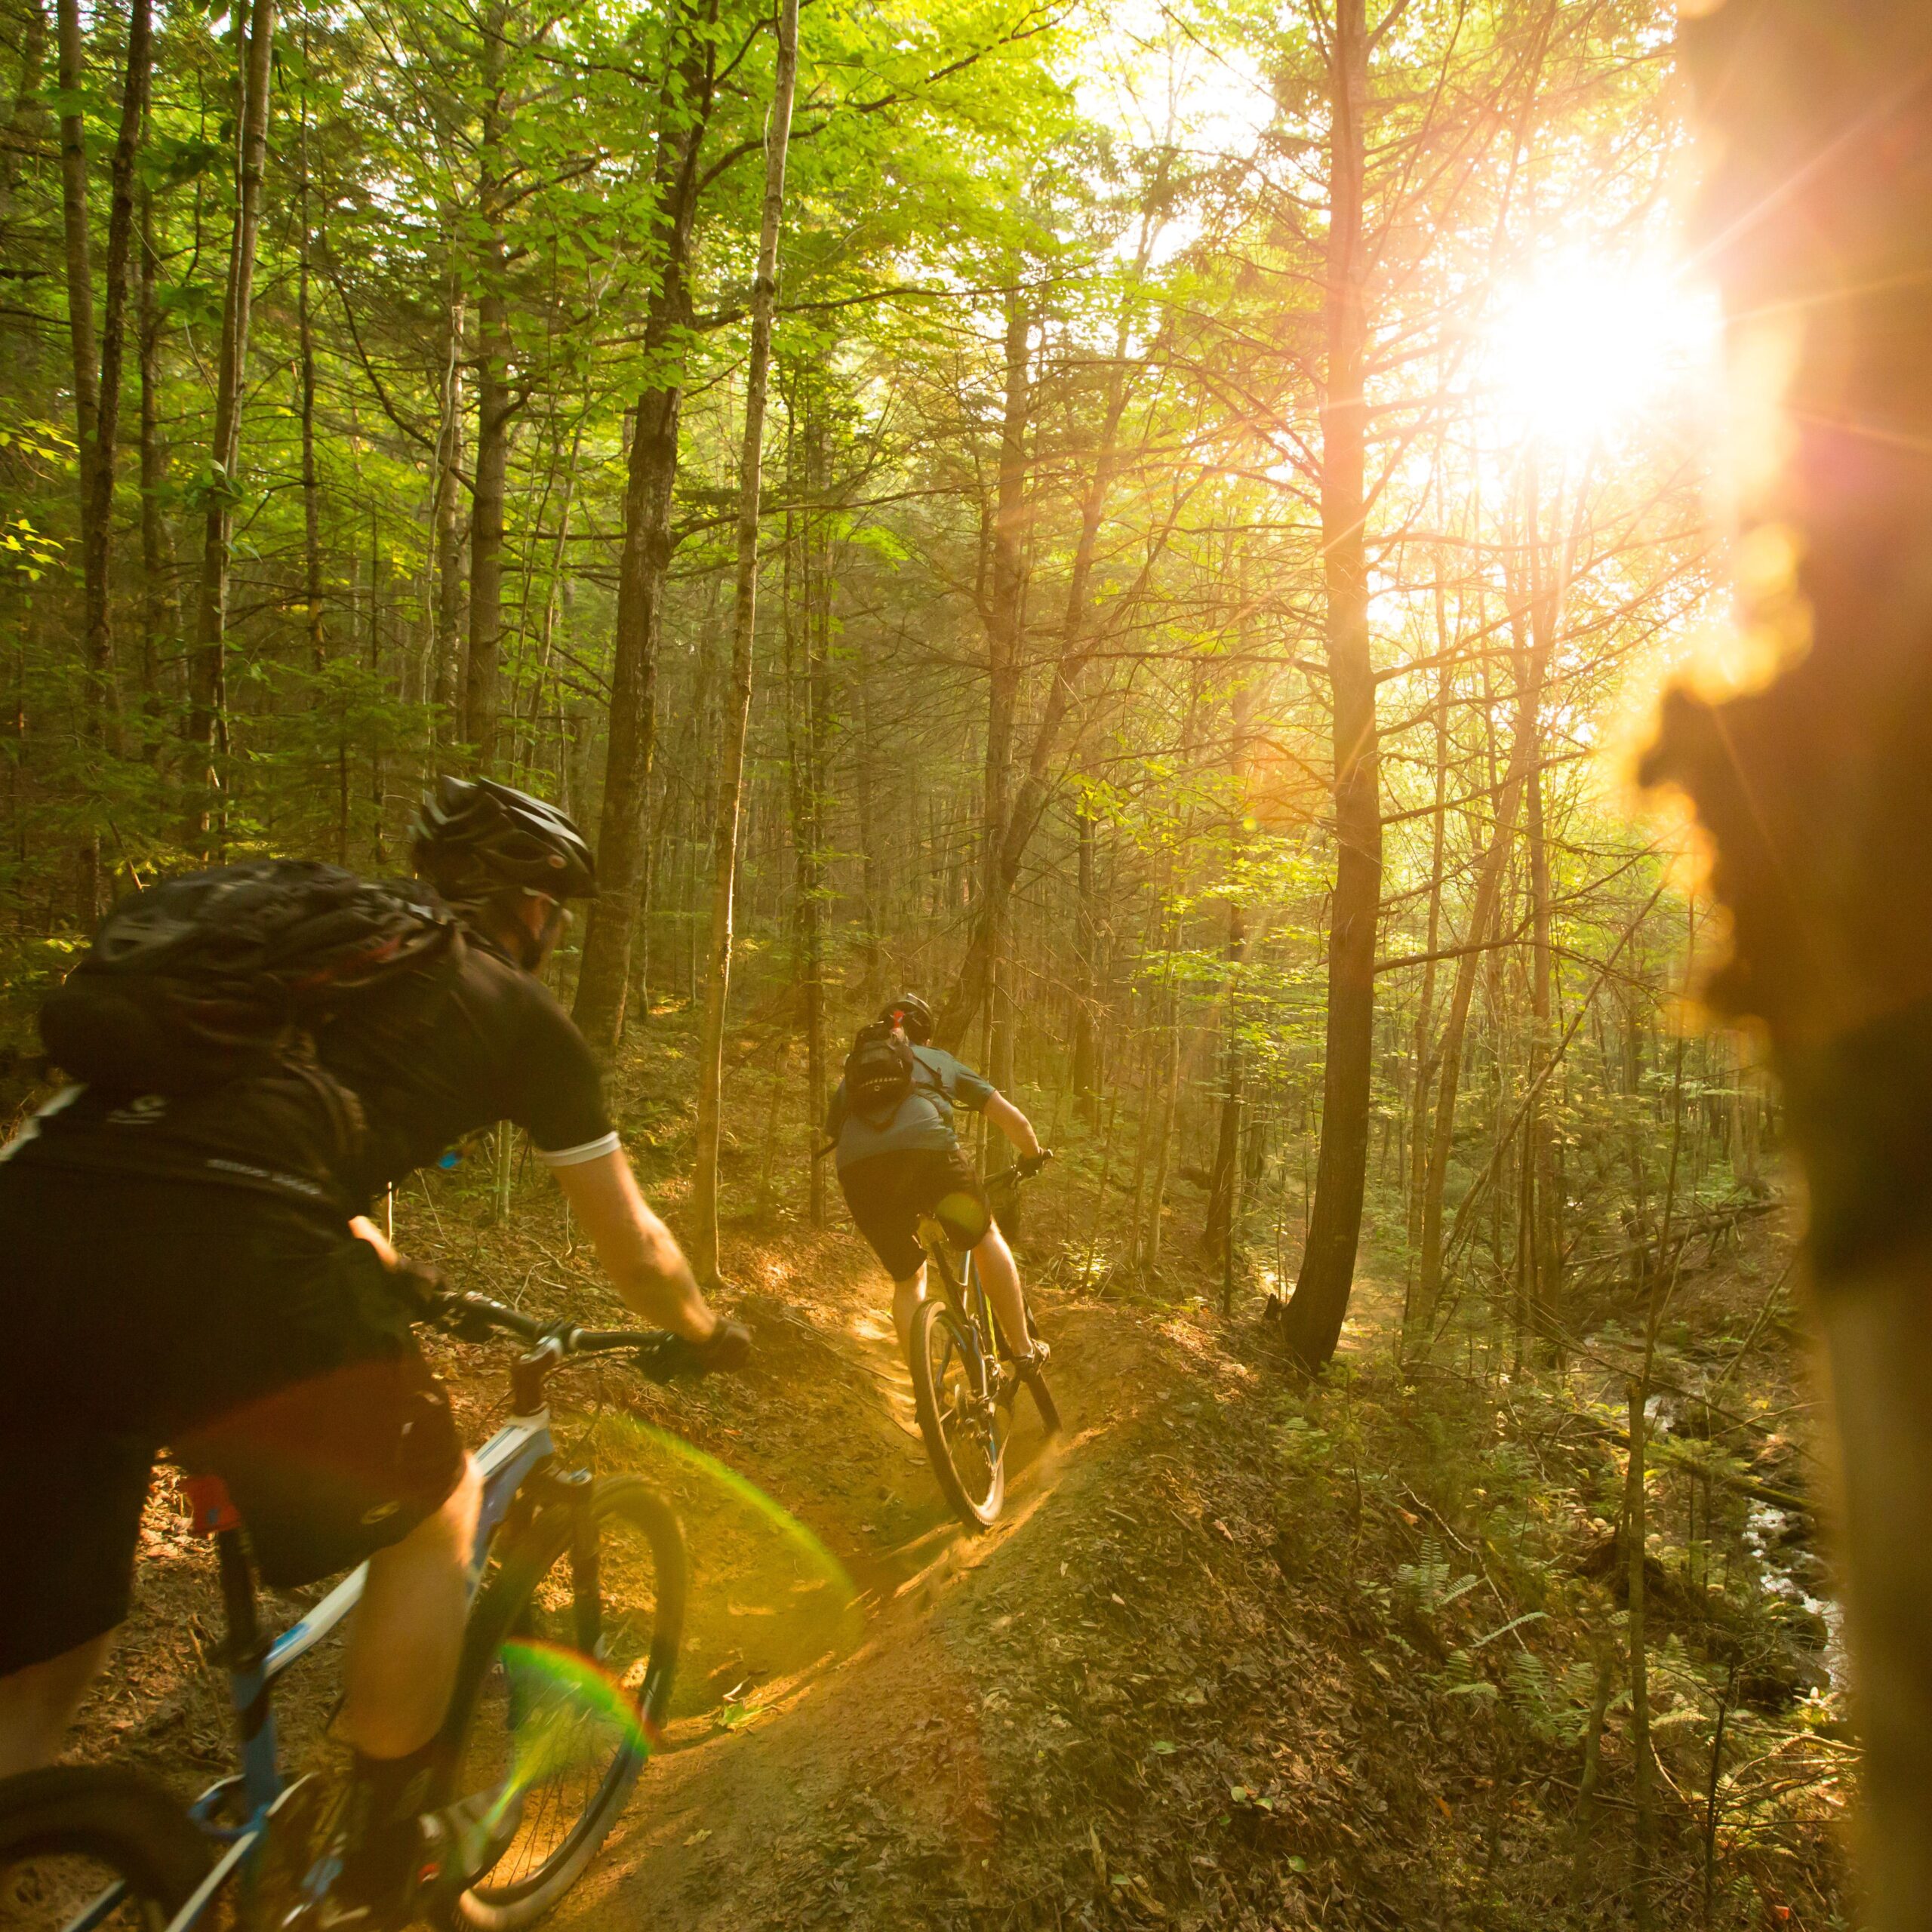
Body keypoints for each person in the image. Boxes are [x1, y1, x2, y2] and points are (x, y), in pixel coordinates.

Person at [0, 776, 743, 1924]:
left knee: (52, 1646)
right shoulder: (508, 1007)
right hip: (234, 1253)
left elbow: (239, 1122)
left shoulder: (305, 959)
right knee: (435, 1514)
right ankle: (392, 1873)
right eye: (556, 909)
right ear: (530, 905)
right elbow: (638, 1248)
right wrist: (706, 1329)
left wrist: (384, 1263)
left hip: (30, 1221)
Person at [825, 994, 1048, 1364]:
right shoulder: (937, 1060)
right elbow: (1013, 1120)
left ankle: (924, 1388)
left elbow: (834, 1133)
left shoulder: (853, 1077)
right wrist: (1032, 1157)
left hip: (859, 1170)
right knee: (985, 1236)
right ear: (923, 1038)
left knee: (908, 1279)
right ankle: (1025, 1351)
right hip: (930, 1155)